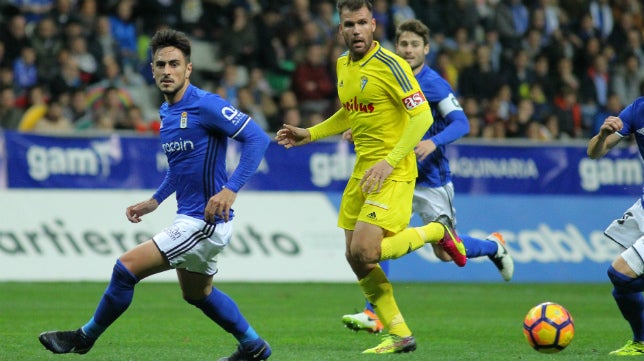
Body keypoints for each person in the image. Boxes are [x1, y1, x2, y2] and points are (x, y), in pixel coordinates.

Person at [38, 28, 272, 361]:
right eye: (160, 64)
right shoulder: (166, 114)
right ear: (151, 70)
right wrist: (155, 200)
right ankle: (253, 346)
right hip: (188, 216)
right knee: (198, 294)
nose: (167, 71)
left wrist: (230, 190)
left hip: (204, 221)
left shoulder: (206, 105)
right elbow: (180, 167)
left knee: (125, 268)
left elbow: (258, 139)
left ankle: (84, 337)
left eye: (174, 64)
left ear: (188, 68)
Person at [276, 0, 466, 354]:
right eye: (349, 24)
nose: (356, 30)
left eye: (362, 22)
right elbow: (349, 113)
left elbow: (422, 117)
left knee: (367, 250)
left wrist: (390, 161)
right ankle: (400, 334)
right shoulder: (342, 65)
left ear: (373, 25)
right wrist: (311, 133)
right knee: (353, 255)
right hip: (364, 168)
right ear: (340, 29)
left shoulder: (392, 65)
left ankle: (437, 231)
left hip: (393, 169)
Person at [340, 18, 515, 334]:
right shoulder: (388, 74)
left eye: (414, 45)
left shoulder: (434, 83)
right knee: (377, 235)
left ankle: (492, 246)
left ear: (426, 49)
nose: (408, 50)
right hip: (394, 175)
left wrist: (434, 141)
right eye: (403, 44)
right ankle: (374, 312)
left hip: (431, 178)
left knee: (447, 253)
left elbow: (462, 123)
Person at [587, 97, 644, 356]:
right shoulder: (637, 110)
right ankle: (641, 341)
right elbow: (594, 153)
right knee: (621, 286)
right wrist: (602, 135)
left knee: (620, 273)